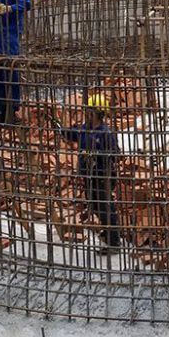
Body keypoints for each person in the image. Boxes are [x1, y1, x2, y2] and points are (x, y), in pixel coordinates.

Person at [52, 94, 121, 251]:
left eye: (90, 111)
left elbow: (115, 153)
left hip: (102, 176)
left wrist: (96, 155)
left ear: (98, 113)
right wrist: (60, 128)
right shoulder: (84, 129)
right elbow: (73, 134)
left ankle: (114, 241)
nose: (86, 113)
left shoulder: (105, 133)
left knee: (105, 207)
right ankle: (108, 232)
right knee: (95, 206)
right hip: (88, 176)